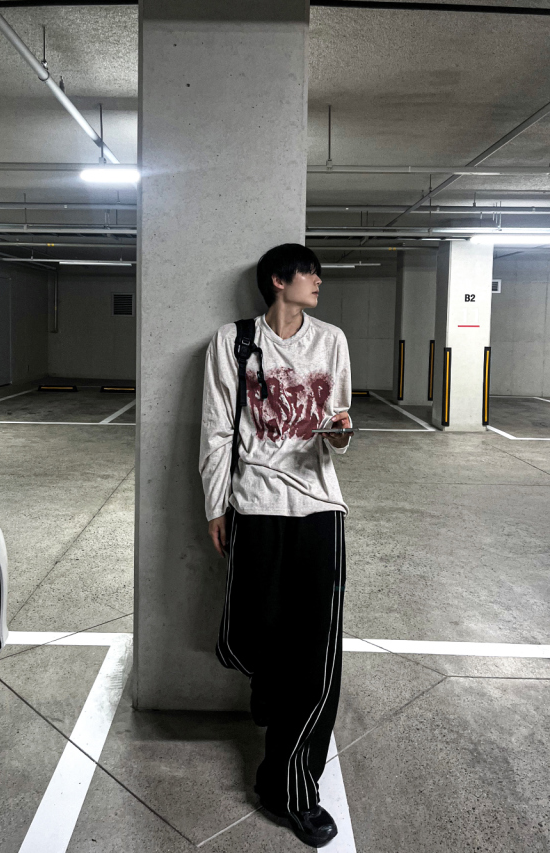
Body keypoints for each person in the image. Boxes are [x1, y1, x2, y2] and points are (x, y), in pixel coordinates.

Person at [199, 243, 352, 849]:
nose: (318, 282)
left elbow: (337, 429)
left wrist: (340, 435)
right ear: (277, 280)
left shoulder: (332, 341)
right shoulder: (233, 342)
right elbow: (217, 428)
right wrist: (215, 504)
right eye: (309, 273)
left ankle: (288, 788)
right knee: (255, 636)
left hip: (318, 509)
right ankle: (263, 679)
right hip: (255, 505)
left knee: (316, 659)